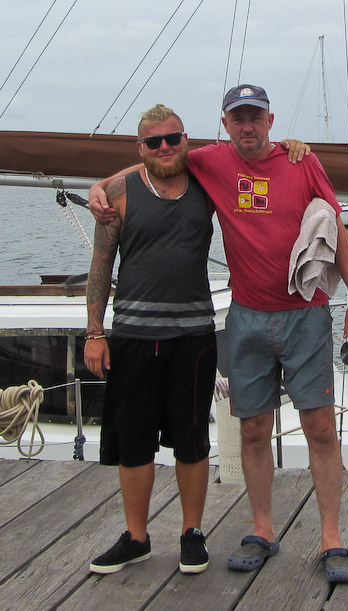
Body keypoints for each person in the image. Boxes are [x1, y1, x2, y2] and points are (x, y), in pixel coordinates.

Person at [90, 85, 348, 584]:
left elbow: (338, 229)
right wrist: (101, 185)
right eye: (237, 118)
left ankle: (331, 538)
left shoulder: (301, 161)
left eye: (255, 117)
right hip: (246, 318)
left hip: (305, 316)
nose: (247, 126)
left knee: (321, 429)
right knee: (253, 429)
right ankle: (262, 530)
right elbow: (157, 162)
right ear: (224, 125)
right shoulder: (211, 161)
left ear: (270, 121)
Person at [85, 104, 217, 575]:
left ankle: (191, 533)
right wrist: (95, 332)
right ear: (139, 147)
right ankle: (136, 537)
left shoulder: (208, 183)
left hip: (193, 336)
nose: (165, 147)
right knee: (134, 441)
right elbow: (101, 264)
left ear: (186, 140)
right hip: (134, 336)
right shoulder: (118, 194)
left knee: (192, 440)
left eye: (173, 138)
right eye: (154, 141)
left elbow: (254, 166)